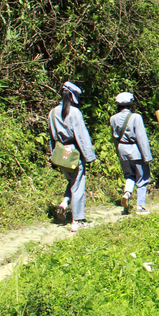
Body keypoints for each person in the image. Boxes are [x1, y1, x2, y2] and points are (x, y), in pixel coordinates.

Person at [49, 81, 97, 232]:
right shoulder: (74, 112)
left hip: (61, 152)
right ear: (72, 96)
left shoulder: (52, 112)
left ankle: (64, 202)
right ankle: (77, 220)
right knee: (78, 186)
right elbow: (81, 136)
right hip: (74, 153)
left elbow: (52, 137)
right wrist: (89, 156)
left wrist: (53, 156)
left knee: (71, 182)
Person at [111, 92, 153, 215]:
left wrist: (118, 151)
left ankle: (127, 193)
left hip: (122, 149)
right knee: (142, 177)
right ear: (131, 104)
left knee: (129, 175)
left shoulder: (113, 118)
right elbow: (141, 137)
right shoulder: (136, 117)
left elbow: (115, 137)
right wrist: (147, 156)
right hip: (135, 150)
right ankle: (140, 206)